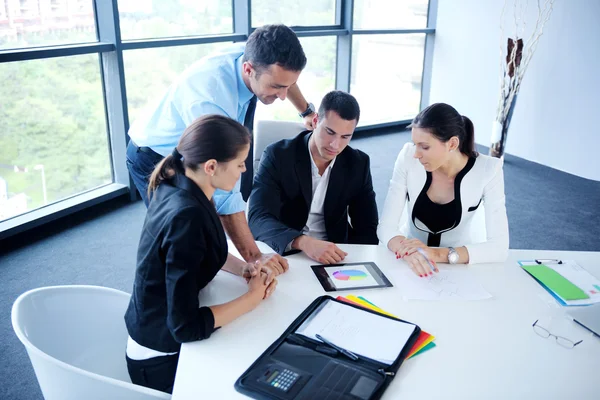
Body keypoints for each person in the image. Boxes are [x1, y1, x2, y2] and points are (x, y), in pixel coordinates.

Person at [126, 24, 313, 267]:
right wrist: (255, 258)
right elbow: (226, 194)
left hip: (196, 144)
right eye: (277, 87)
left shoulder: (257, 55)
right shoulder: (211, 100)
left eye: (287, 86)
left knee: (211, 225)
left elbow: (285, 77)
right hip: (154, 155)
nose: (282, 95)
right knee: (184, 236)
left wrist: (306, 111)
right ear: (248, 70)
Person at [124, 115, 280, 394]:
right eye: (239, 163)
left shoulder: (182, 182)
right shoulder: (187, 216)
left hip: (152, 325)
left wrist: (243, 268)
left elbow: (198, 251)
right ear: (211, 167)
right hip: (162, 361)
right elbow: (185, 327)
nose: (244, 169)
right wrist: (253, 298)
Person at [377, 103, 509, 277]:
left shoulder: (488, 170)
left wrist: (436, 254)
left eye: (424, 147)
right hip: (409, 261)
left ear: (452, 143)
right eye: (415, 144)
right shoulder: (408, 157)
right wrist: (409, 252)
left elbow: (499, 247)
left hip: (457, 265)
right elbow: (385, 227)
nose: (416, 153)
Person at [248, 91, 379, 264]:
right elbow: (258, 217)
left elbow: (367, 228)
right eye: (330, 132)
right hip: (286, 252)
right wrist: (302, 242)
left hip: (334, 256)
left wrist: (362, 265)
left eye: (345, 137)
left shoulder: (358, 163)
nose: (335, 145)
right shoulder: (278, 156)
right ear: (316, 121)